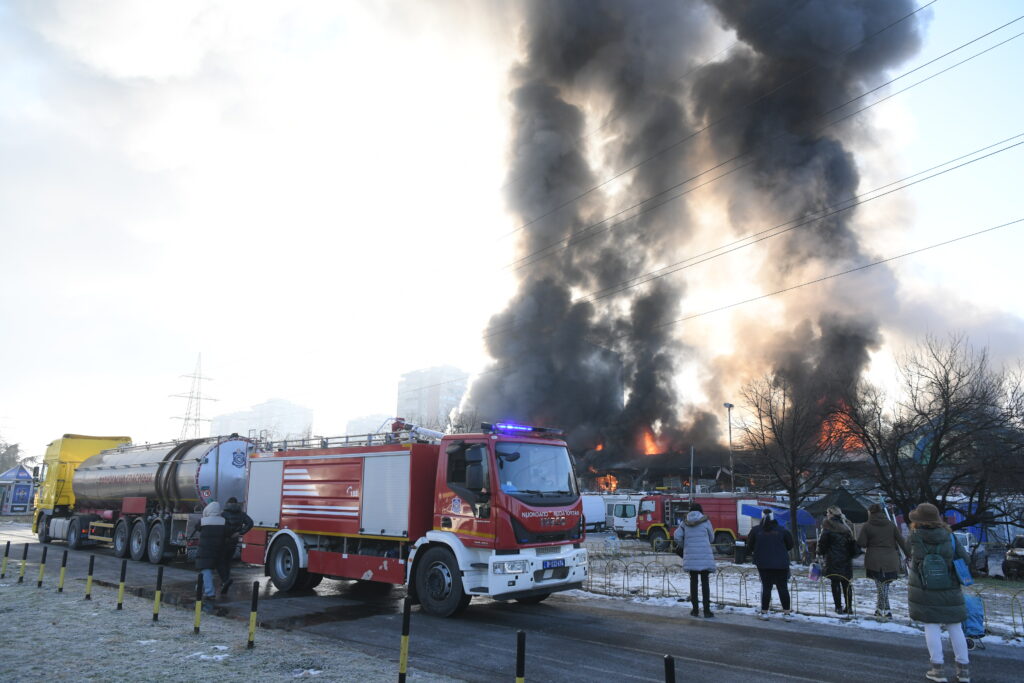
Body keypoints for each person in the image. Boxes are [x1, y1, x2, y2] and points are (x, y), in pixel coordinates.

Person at [907, 502, 970, 683]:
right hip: (949, 585)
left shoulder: (915, 536)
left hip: (925, 586)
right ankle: (963, 670)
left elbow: (913, 557)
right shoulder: (949, 536)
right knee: (955, 626)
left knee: (931, 626)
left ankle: (938, 669)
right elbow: (964, 558)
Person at [858, 503, 909, 618]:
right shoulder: (890, 525)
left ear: (870, 513)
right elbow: (901, 541)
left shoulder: (867, 525)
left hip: (874, 559)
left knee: (880, 585)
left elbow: (862, 543)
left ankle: (883, 609)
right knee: (885, 585)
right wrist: (908, 555)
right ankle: (883, 608)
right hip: (890, 559)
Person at [747, 509, 794, 621]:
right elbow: (790, 545)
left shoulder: (756, 530)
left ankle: (764, 612)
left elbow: (750, 545)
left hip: (763, 563)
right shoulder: (782, 530)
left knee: (766, 587)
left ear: (761, 517)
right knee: (783, 588)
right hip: (781, 563)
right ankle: (787, 613)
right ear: (774, 517)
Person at [673, 503, 716, 618]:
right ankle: (707, 611)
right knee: (705, 583)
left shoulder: (684, 523)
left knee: (693, 583)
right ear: (700, 511)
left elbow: (676, 536)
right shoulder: (706, 521)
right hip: (704, 557)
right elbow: (712, 538)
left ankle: (695, 610)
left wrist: (685, 545)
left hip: (691, 558)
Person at [817, 506, 858, 615]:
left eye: (827, 512)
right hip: (846, 559)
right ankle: (849, 608)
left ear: (831, 513)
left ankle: (838, 607)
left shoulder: (828, 526)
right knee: (846, 583)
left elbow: (822, 544)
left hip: (833, 559)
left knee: (835, 582)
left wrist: (819, 553)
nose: (827, 515)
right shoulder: (846, 525)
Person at [193, 501, 228, 606]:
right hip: (218, 549)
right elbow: (227, 533)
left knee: (205, 569)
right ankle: (199, 587)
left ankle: (209, 592)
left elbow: (197, 528)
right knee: (207, 568)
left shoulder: (203, 521)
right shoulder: (223, 521)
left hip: (205, 549)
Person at [219, 496, 254, 595]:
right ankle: (225, 580)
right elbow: (250, 523)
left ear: (227, 503)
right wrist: (240, 532)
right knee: (228, 562)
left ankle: (225, 580)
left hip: (224, 540)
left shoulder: (223, 514)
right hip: (234, 541)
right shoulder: (241, 514)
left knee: (221, 561)